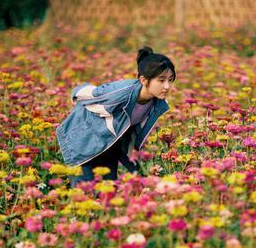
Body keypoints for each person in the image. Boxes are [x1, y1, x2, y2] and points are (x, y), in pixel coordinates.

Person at [56, 46, 176, 187]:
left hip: (109, 144)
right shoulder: (121, 92)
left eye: (170, 79)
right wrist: (75, 96)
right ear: (143, 80)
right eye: (161, 80)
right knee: (84, 194)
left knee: (108, 194)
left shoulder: (158, 103)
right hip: (83, 141)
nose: (167, 86)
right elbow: (89, 92)